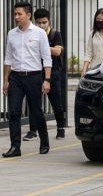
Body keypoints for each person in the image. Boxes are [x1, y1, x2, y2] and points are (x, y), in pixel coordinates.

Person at [2, 2, 53, 158]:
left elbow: (47, 58)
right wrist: (6, 80)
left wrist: (47, 79)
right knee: (14, 112)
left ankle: (44, 142)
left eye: (20, 14)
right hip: (15, 78)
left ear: (28, 15)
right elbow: (8, 58)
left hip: (34, 77)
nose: (16, 17)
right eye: (15, 14)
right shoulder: (11, 34)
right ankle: (15, 147)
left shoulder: (39, 33)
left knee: (36, 112)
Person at [23, 8, 66, 142]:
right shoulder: (32, 34)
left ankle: (60, 128)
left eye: (44, 22)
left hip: (53, 73)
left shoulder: (55, 34)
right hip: (36, 72)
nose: (41, 25)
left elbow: (58, 52)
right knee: (33, 102)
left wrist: (40, 46)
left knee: (56, 102)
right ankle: (33, 131)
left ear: (49, 21)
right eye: (39, 23)